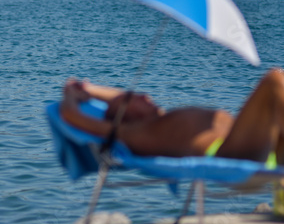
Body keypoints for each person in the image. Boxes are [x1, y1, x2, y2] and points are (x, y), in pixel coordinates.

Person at [60, 68, 284, 167]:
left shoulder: (159, 122)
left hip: (265, 147)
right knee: (275, 80)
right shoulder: (135, 133)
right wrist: (69, 94)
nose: (146, 96)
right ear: (126, 117)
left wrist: (87, 88)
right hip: (229, 154)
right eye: (136, 99)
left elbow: (120, 100)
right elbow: (70, 114)